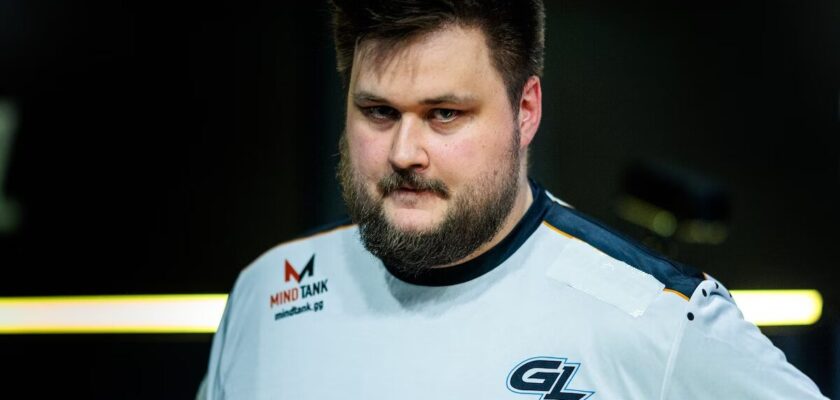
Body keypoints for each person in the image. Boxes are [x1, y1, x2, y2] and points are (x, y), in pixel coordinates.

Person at [198, 1, 828, 398]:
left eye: (445, 114)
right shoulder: (267, 293)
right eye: (379, 112)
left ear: (525, 111)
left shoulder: (657, 320)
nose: (404, 152)